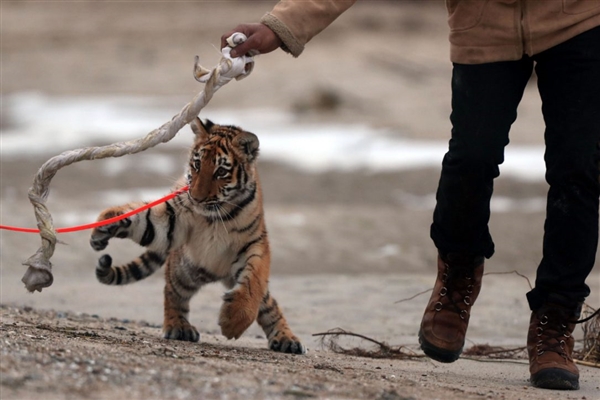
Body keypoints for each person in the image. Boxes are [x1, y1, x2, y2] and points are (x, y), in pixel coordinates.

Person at [221, 0, 600, 391]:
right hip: (484, 25)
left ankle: (555, 322)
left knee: (579, 170)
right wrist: (283, 24)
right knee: (471, 159)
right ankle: (457, 275)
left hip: (579, 21)